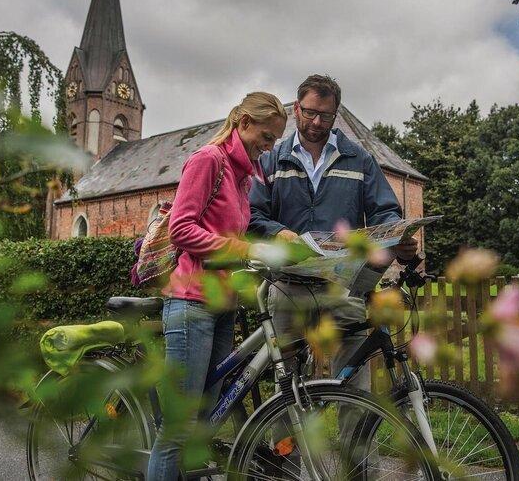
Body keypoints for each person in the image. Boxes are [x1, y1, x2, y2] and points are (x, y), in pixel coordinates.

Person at [147, 91, 287, 481]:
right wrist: (241, 248)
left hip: (222, 305)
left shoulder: (243, 176)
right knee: (177, 428)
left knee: (203, 423)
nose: (268, 146)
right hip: (191, 304)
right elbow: (181, 228)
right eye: (266, 136)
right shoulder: (209, 161)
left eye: (274, 140)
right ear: (243, 123)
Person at [248, 74, 418, 389]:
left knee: (355, 383)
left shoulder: (359, 158)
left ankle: (355, 441)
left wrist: (399, 236)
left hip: (343, 288)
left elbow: (385, 211)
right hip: (287, 288)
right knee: (286, 386)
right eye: (310, 112)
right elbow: (252, 213)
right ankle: (285, 442)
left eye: (326, 115)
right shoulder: (271, 159)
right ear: (296, 109)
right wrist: (279, 232)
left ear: (335, 114)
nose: (316, 121)